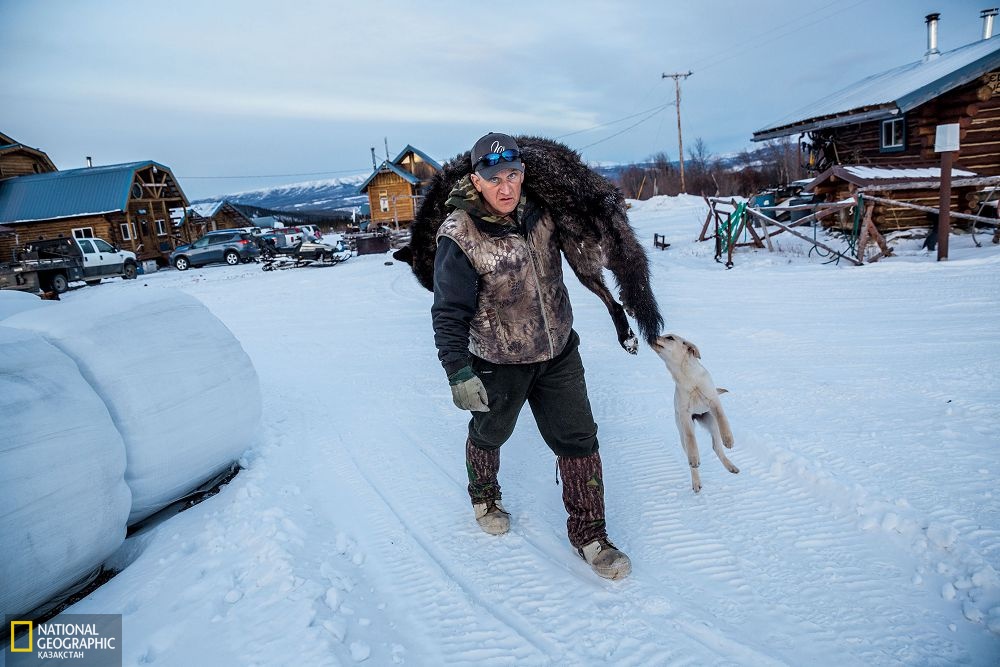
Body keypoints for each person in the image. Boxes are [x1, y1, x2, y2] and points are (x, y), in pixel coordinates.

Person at [430, 132, 631, 580]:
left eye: (513, 176)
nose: (506, 187)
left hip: (558, 351)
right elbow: (448, 312)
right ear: (476, 181)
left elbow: (586, 241)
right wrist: (458, 370)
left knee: (579, 440)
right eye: (495, 178)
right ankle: (484, 495)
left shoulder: (543, 212)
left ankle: (591, 537)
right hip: (498, 360)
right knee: (491, 431)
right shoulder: (458, 236)